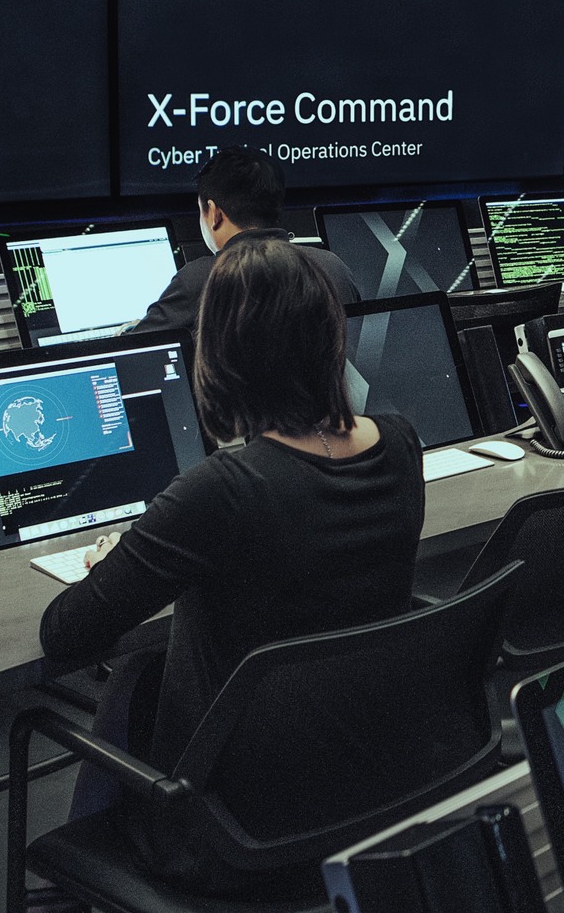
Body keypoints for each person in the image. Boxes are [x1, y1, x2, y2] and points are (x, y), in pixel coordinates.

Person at [39, 236, 424, 893]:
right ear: (330, 336)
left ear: (219, 352)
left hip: (232, 833)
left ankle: (67, 897)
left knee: (134, 674)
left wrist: (133, 551)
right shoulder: (400, 443)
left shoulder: (221, 490)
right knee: (146, 668)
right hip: (370, 795)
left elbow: (66, 633)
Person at [130, 145, 359, 338]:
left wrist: (127, 333)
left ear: (214, 213)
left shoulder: (203, 279)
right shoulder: (332, 268)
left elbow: (137, 353)